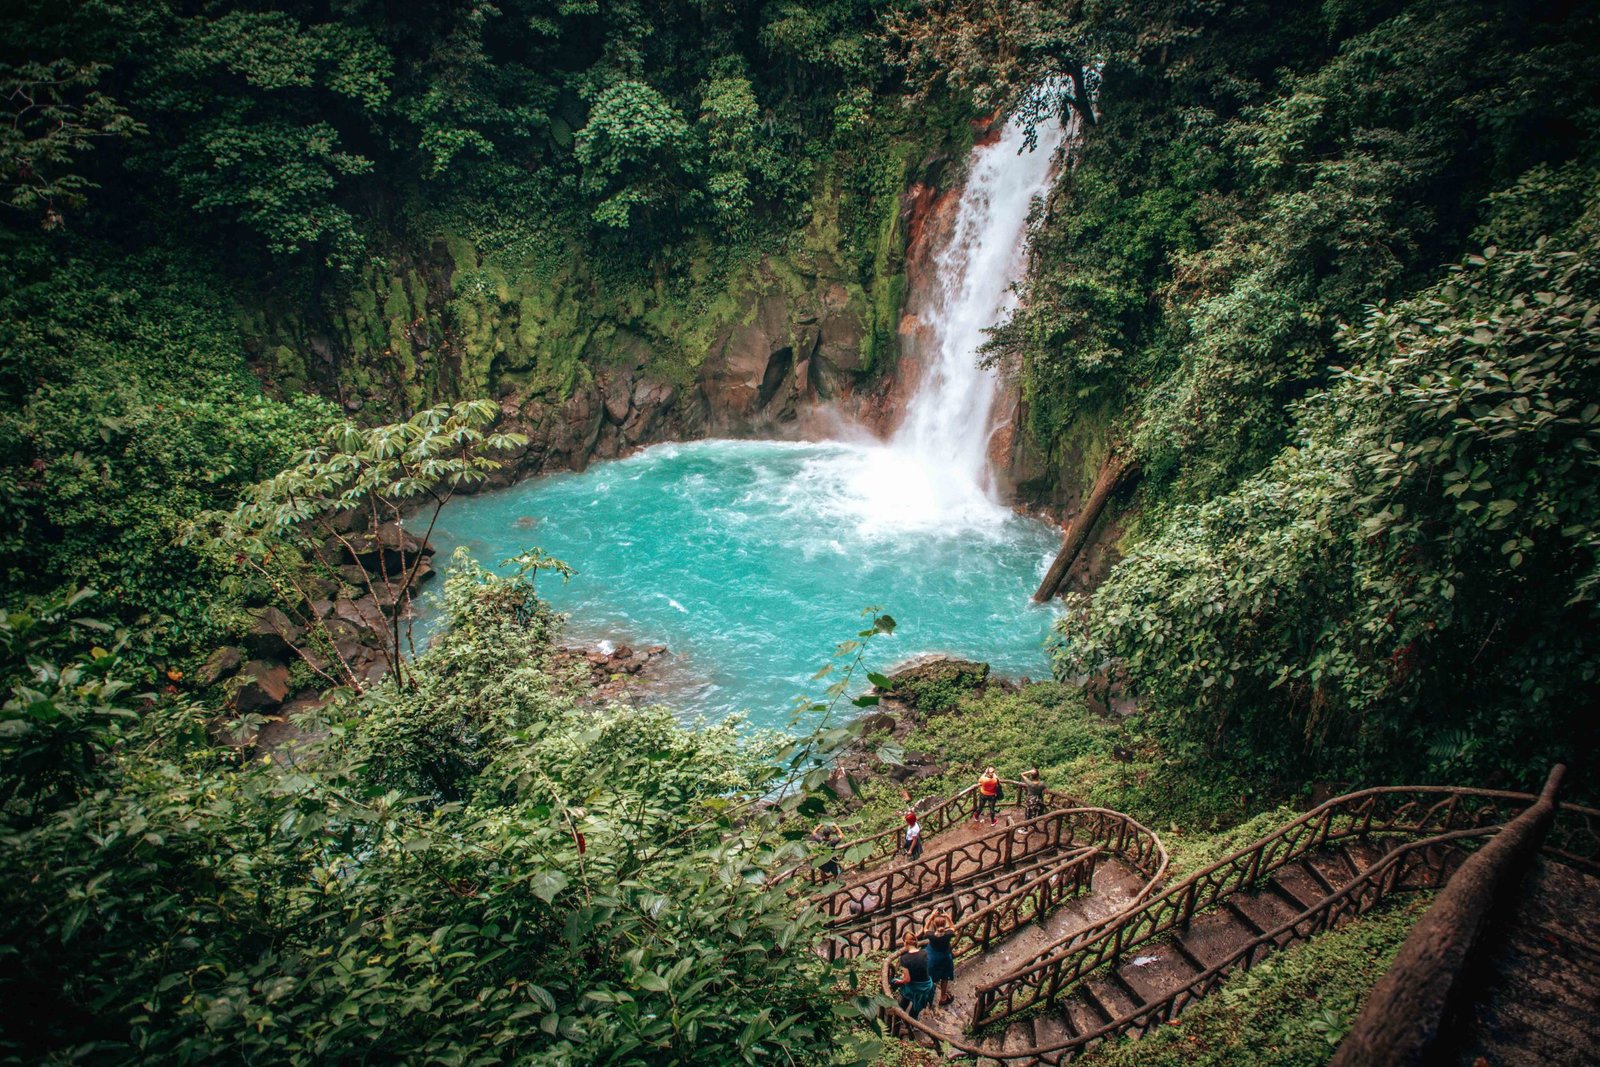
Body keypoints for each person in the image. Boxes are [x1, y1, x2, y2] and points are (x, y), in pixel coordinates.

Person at [890, 930, 935, 1019]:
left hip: (915, 988)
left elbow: (907, 980)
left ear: (905, 943)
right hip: (926, 985)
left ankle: (899, 1017)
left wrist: (899, 981)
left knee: (896, 982)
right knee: (914, 1011)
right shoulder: (924, 953)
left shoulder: (905, 959)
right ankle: (912, 1020)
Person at [920, 909, 956, 1006]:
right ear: (944, 925)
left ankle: (928, 997)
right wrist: (947, 916)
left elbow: (925, 929)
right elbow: (953, 927)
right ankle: (943, 997)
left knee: (930, 977)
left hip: (932, 958)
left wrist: (931, 917)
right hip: (945, 958)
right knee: (945, 977)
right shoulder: (948, 934)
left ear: (934, 924)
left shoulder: (931, 935)